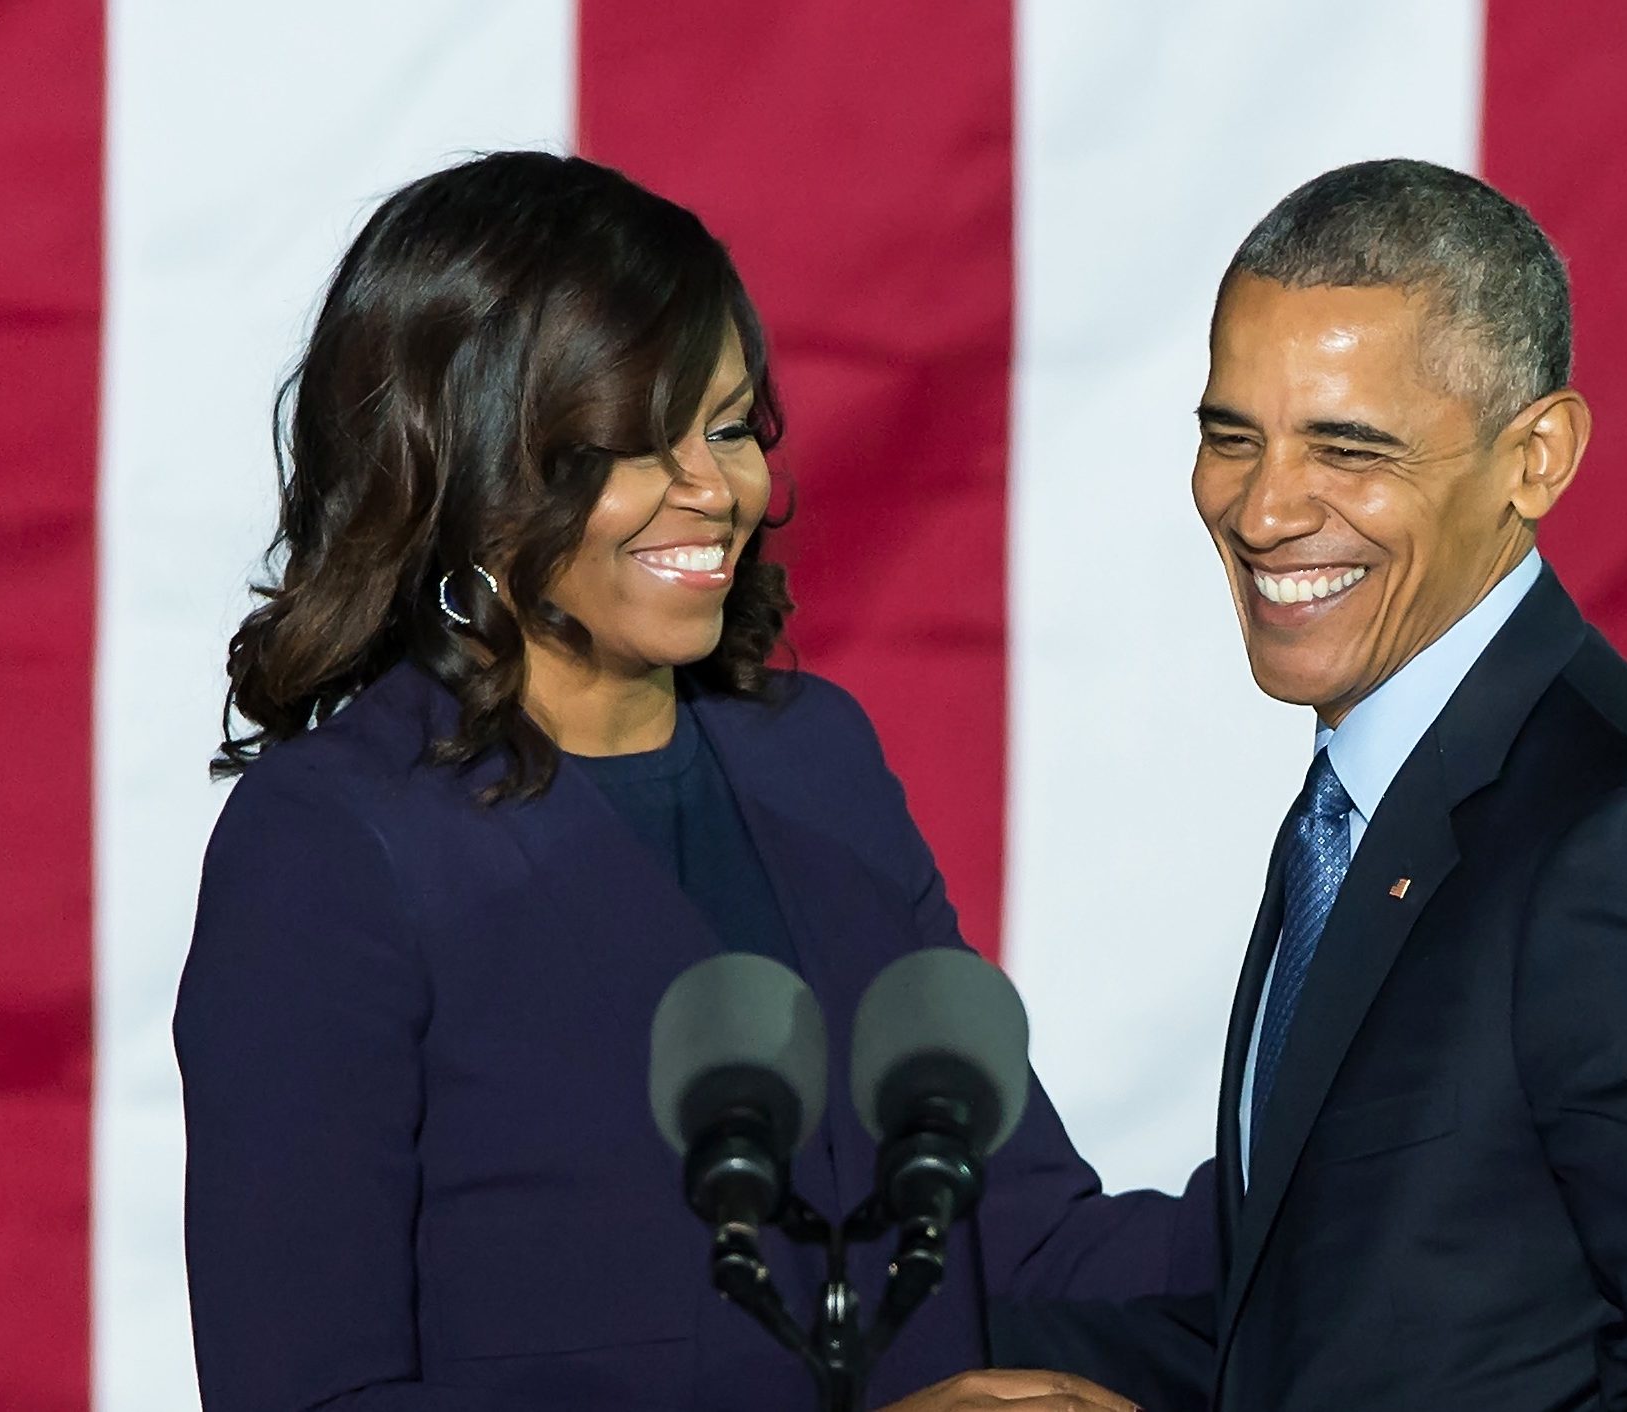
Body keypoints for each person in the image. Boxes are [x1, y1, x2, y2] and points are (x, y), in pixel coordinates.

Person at [175, 151, 1212, 1412]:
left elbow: (1032, 1244)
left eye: (725, 427)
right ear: (462, 462)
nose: (714, 490)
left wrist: (1391, 1200)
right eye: (630, 442)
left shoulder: (815, 756)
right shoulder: (331, 844)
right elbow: (308, 1394)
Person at [1184, 160, 1627, 1407]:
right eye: (1231, 435)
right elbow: (1335, 1318)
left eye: (1347, 446)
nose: (1262, 506)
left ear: (1536, 457)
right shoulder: (1371, 794)